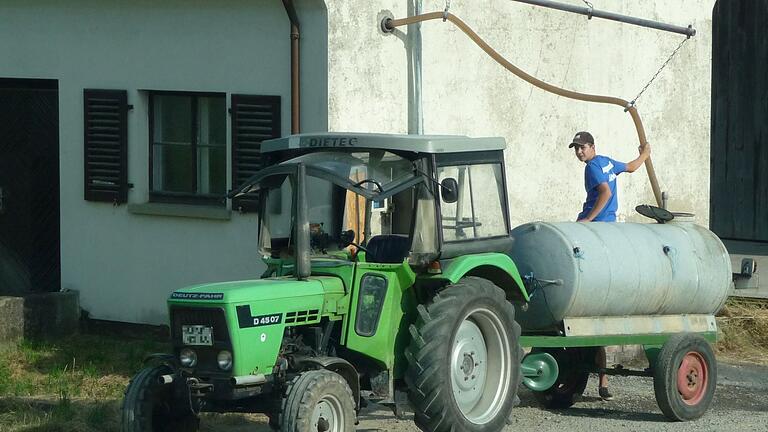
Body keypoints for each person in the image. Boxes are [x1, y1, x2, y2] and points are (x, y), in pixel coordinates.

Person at [569, 131, 651, 400]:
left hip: (596, 232)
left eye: (582, 147)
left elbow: (604, 192)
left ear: (593, 146)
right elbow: (631, 167)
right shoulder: (606, 162)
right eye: (576, 149)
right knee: (598, 325)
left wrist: (589, 220)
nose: (579, 152)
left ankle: (601, 382)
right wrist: (645, 153)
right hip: (611, 230)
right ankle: (603, 384)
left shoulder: (594, 167)